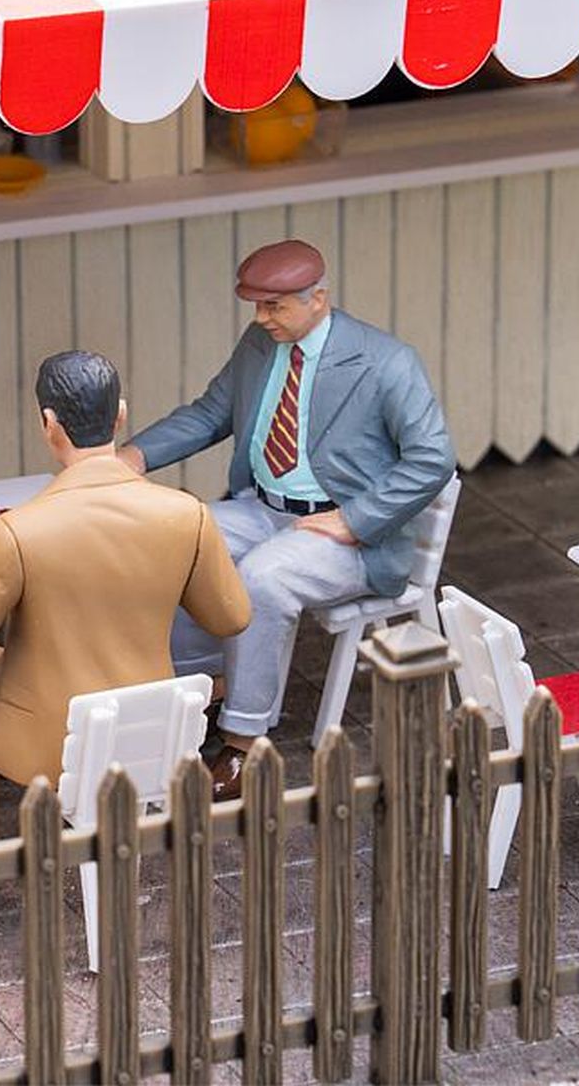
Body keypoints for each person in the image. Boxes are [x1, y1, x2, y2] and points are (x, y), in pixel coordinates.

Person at [122, 240, 456, 801]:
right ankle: (203, 689)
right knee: (179, 539)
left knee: (262, 578)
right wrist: (135, 456)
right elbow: (210, 413)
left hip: (349, 536)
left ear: (317, 299)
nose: (261, 318)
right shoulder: (262, 344)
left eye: (274, 306)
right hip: (263, 507)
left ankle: (243, 742)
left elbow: (433, 458)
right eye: (257, 305)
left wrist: (355, 519)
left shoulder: (385, 361)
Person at [0, 351, 250, 837]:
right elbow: (231, 617)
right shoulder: (187, 513)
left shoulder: (17, 532)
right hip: (151, 730)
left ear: (48, 423)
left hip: (49, 742)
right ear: (120, 414)